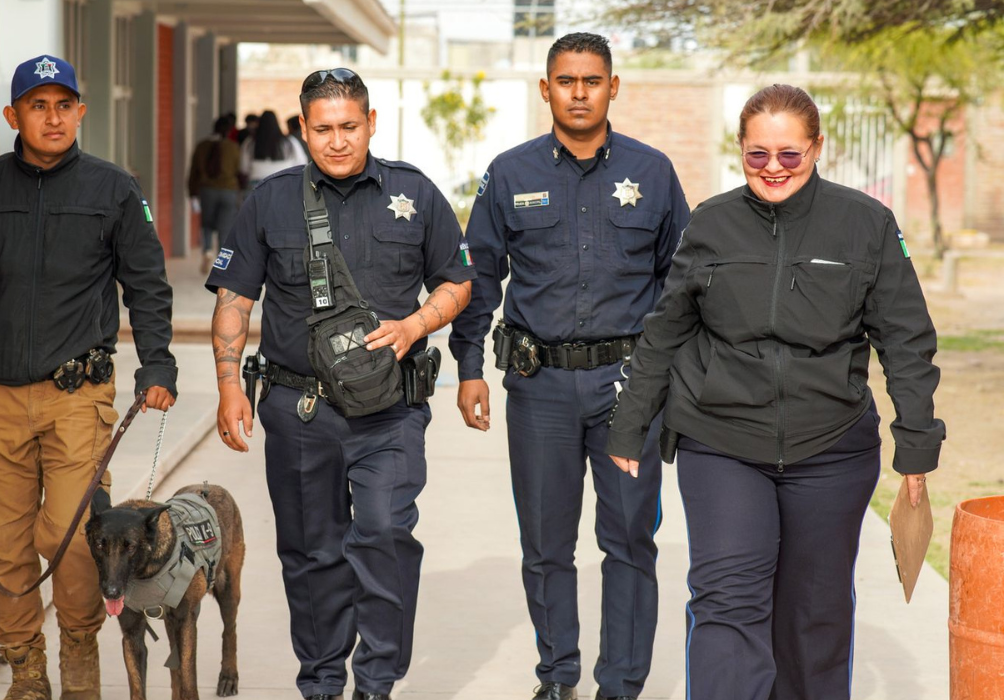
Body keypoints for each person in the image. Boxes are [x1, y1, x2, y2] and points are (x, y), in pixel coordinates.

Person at [606, 84, 944, 700]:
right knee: (727, 599)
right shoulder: (711, 222)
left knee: (813, 614)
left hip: (831, 447)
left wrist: (917, 447)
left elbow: (906, 341)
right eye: (758, 154)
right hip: (722, 442)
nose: (773, 168)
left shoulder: (865, 224)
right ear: (740, 149)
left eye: (790, 154)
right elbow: (664, 330)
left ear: (817, 148)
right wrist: (630, 424)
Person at [0, 55, 177, 700]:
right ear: (13, 116)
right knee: (5, 544)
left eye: (63, 105)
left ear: (81, 111)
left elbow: (147, 284)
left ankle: (80, 666)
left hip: (78, 397)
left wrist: (158, 362)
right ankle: (27, 671)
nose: (52, 117)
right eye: (37, 105)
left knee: (72, 536)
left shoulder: (115, 189)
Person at [206, 68, 475, 700]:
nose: (336, 141)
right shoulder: (270, 200)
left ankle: (376, 682)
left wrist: (415, 325)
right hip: (300, 410)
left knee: (383, 534)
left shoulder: (415, 193)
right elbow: (234, 299)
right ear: (302, 128)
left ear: (372, 122)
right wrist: (227, 385)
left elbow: (458, 280)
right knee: (311, 553)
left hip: (391, 409)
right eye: (322, 129)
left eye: (349, 127)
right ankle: (322, 682)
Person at [449, 32, 690, 700]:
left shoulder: (654, 173)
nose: (578, 92)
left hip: (628, 393)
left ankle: (621, 685)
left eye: (591, 80)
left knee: (629, 542)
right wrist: (469, 365)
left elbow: (683, 283)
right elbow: (480, 276)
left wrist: (669, 382)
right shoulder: (510, 174)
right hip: (540, 390)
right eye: (565, 80)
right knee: (547, 546)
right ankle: (557, 679)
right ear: (545, 89)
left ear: (613, 87)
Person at [188, 114, 241, 270]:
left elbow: (193, 172)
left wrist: (192, 192)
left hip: (207, 190)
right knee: (225, 229)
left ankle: (207, 251)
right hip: (228, 191)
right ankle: (222, 264)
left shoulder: (201, 146)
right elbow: (239, 170)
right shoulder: (233, 147)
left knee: (207, 225)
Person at [239, 109, 308, 192]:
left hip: (257, 184)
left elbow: (243, 168)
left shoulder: (250, 142)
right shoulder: (289, 142)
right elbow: (301, 163)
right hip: (283, 183)